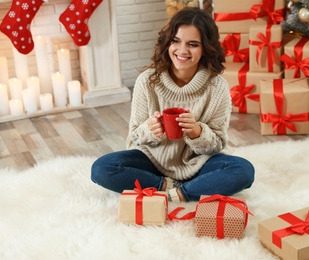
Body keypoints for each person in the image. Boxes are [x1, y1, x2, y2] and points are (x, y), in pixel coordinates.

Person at [91, 7, 255, 202]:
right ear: (167, 42)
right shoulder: (147, 81)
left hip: (199, 165)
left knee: (243, 170)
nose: (182, 50)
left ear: (205, 49)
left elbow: (218, 143)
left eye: (193, 44)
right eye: (176, 41)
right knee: (102, 168)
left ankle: (178, 193)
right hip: (153, 162)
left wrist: (197, 132)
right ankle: (173, 187)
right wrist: (150, 130)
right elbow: (135, 135)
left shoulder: (217, 86)